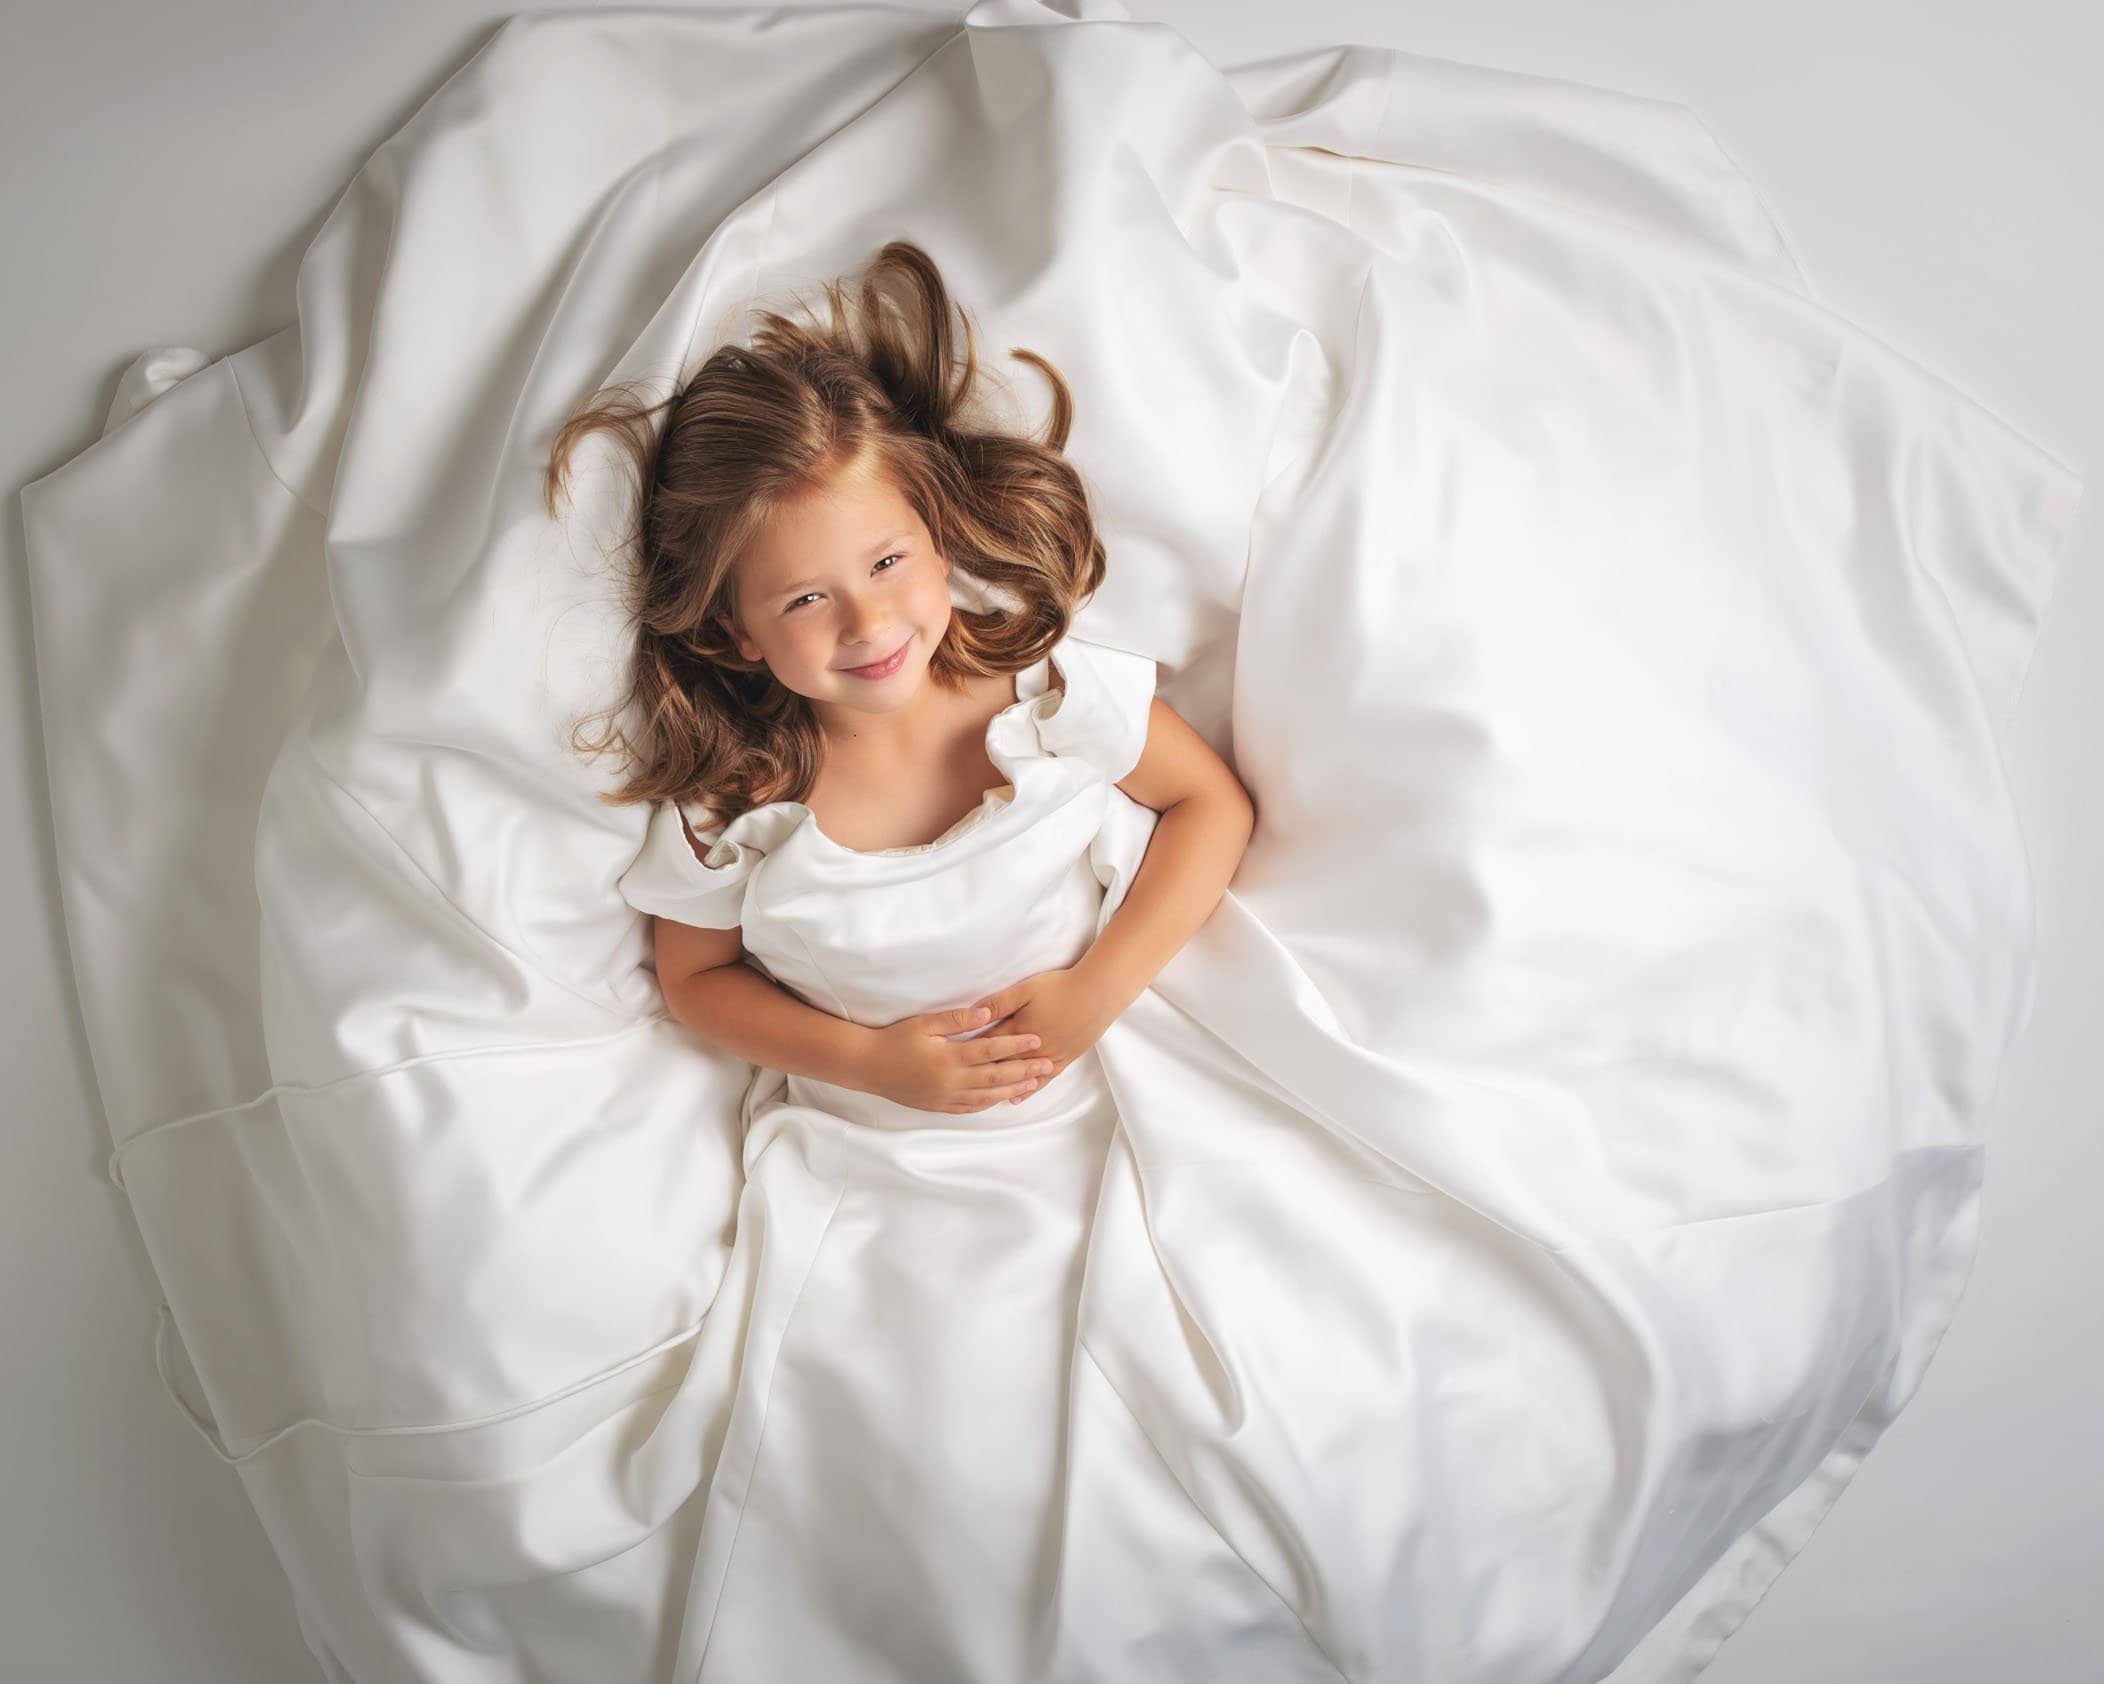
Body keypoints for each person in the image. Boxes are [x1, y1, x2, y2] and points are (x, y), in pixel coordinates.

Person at [538, 238, 1258, 1676]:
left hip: (1114, 1082)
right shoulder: (740, 799)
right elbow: (698, 986)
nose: (868, 623)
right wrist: (874, 1061)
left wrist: (1093, 992)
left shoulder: (1038, 696)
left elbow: (1209, 808)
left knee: (1191, 1412)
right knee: (930, 1460)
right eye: (805, 601)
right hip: (890, 1155)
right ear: (733, 628)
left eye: (886, 563)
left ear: (939, 537)